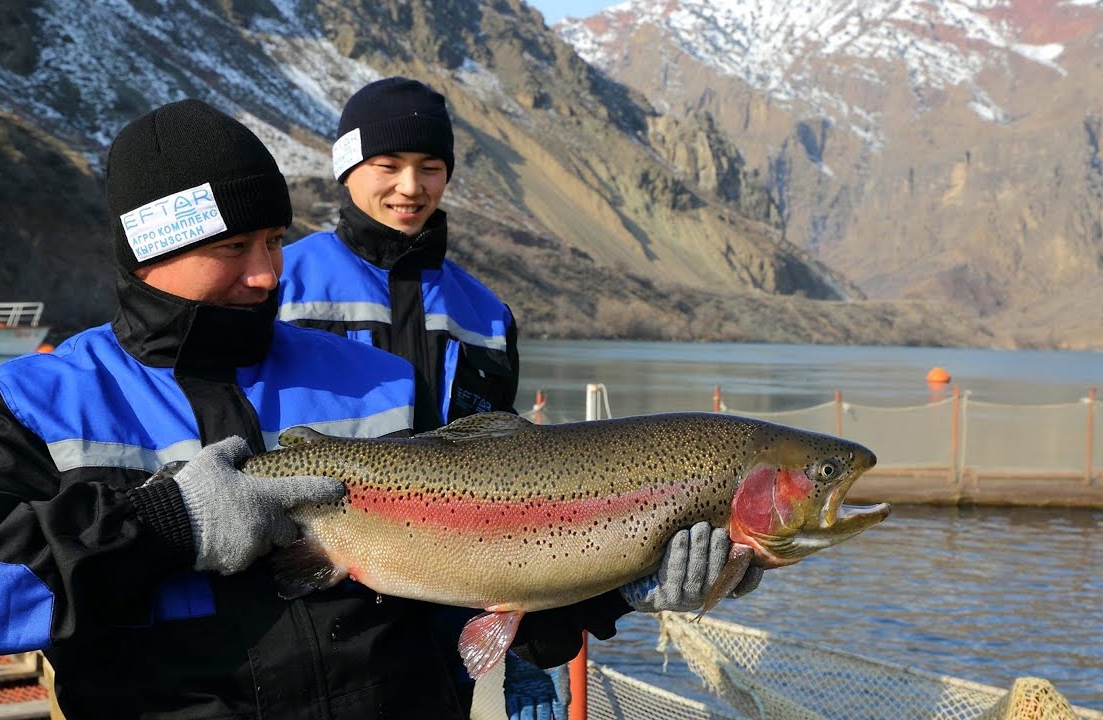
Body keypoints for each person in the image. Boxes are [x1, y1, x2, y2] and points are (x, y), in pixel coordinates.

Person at [0, 98, 465, 719]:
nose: (266, 276)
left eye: (275, 241)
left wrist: (544, 592)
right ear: (148, 251)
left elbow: (443, 561)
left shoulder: (382, 382)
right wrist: (160, 526)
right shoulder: (32, 404)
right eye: (233, 247)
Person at [277, 77, 764, 719]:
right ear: (346, 170)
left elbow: (506, 461)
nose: (410, 186)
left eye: (431, 167)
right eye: (387, 166)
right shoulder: (276, 281)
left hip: (436, 623)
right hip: (302, 619)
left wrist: (607, 587)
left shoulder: (486, 312)